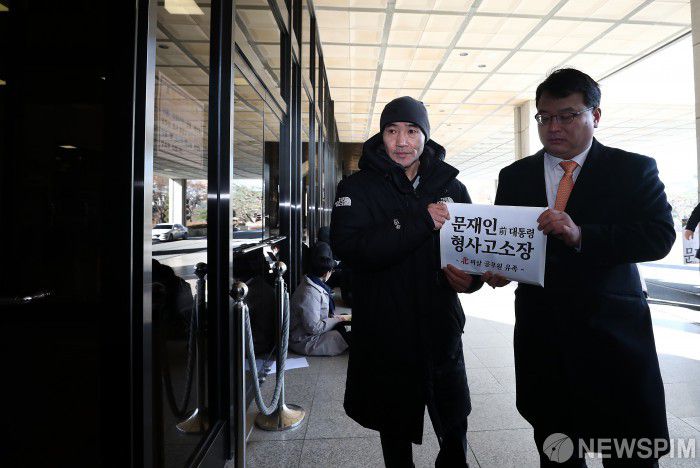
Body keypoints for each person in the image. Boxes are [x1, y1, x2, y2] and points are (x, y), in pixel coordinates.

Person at [491, 68, 675, 467]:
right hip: (544, 339)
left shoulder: (632, 169)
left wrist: (581, 236)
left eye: (567, 116)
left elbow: (659, 236)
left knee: (628, 450)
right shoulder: (515, 176)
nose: (554, 127)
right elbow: (507, 244)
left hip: (613, 337)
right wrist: (494, 270)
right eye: (544, 117)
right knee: (558, 449)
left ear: (596, 115)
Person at [331, 96, 483, 467]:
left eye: (412, 131)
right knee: (394, 430)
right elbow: (350, 248)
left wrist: (472, 280)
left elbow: (473, 249)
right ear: (381, 136)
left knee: (454, 424)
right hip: (386, 330)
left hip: (441, 326)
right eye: (392, 131)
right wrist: (420, 222)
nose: (402, 142)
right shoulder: (356, 188)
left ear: (425, 136)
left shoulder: (451, 186)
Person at [289, 241, 350, 356]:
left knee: (346, 320)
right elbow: (314, 328)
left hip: (309, 333)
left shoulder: (312, 283)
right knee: (350, 335)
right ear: (326, 273)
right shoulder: (309, 293)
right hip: (305, 340)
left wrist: (338, 318)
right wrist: (338, 319)